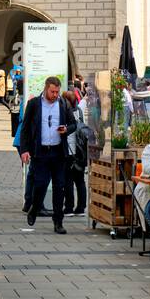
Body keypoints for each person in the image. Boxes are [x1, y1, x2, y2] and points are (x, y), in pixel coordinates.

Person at [19, 75, 77, 233]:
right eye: (52, 91)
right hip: (41, 152)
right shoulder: (34, 104)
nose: (55, 95)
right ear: (45, 89)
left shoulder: (63, 103)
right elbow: (24, 129)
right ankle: (34, 207)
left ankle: (58, 221)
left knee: (60, 187)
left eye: (57, 92)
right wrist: (24, 150)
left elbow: (74, 124)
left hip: (58, 152)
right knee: (40, 184)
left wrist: (66, 129)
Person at [63, 90, 88, 218]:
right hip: (80, 151)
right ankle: (81, 207)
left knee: (68, 180)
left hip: (69, 150)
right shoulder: (79, 111)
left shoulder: (65, 112)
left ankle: (69, 207)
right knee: (80, 181)